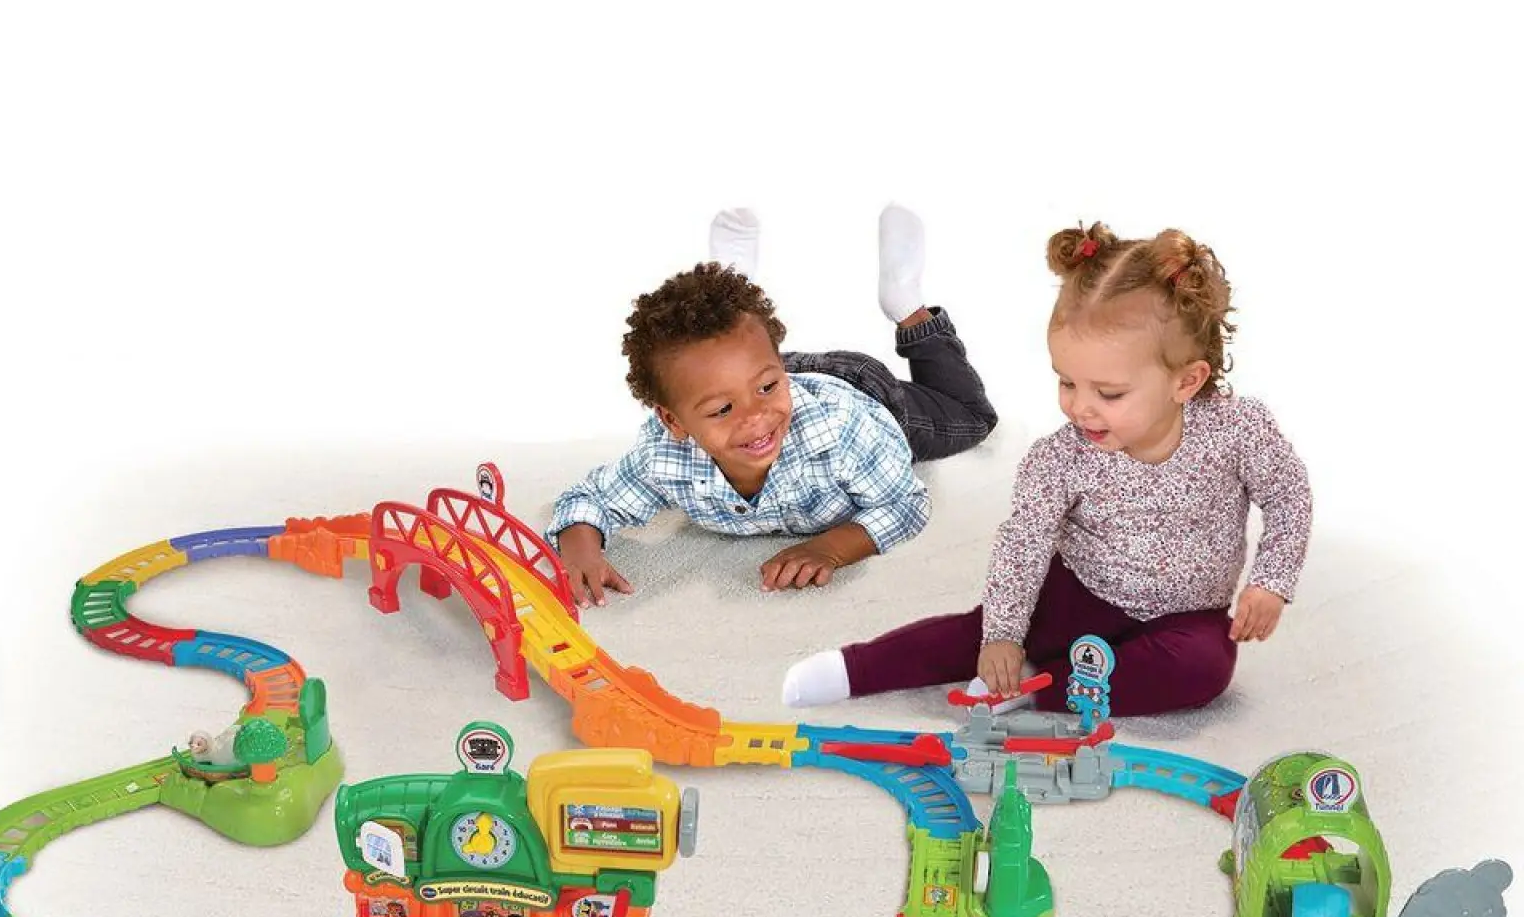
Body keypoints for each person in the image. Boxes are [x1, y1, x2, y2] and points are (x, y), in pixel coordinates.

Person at [782, 222, 1312, 718]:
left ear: (1186, 381)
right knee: (977, 637)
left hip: (1188, 615)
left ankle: (1041, 688)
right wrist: (1003, 635)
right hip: (1079, 594)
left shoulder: (1238, 429)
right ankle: (854, 669)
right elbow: (1024, 545)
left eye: (1109, 393)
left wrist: (1270, 581)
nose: (1081, 408)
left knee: (1204, 669)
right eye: (1067, 382)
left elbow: (1288, 496)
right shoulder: (1060, 457)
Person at [548, 205, 998, 604]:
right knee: (737, 372)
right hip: (761, 370)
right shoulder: (664, 456)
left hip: (863, 393)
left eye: (764, 392)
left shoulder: (844, 433)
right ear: (673, 421)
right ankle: (730, 290)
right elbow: (588, 498)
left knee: (973, 417)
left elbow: (905, 504)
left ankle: (907, 304)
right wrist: (581, 550)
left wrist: (831, 549)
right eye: (722, 410)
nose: (755, 418)